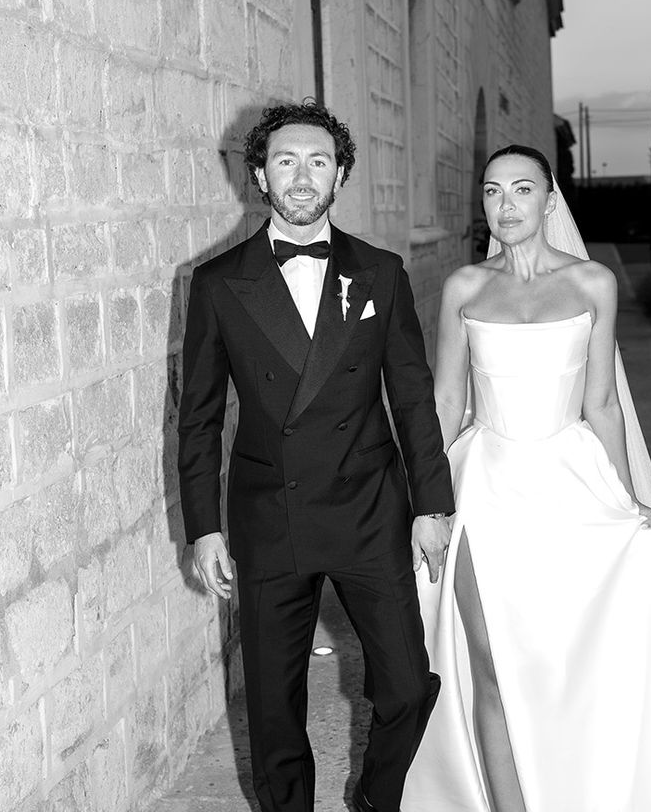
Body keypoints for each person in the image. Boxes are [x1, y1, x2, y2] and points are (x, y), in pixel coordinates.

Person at [403, 145, 651, 811]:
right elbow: (445, 401)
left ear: (550, 202)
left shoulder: (593, 283)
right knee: (490, 664)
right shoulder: (464, 287)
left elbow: (601, 403)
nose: (506, 204)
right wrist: (427, 498)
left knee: (565, 665)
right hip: (482, 486)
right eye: (492, 191)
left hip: (570, 486)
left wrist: (627, 498)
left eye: (522, 189)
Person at [177, 99, 455, 812]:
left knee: (405, 684)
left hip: (369, 507)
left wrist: (432, 505)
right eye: (286, 161)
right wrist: (204, 527)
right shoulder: (217, 282)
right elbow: (199, 417)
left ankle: (376, 799)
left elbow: (413, 399)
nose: (302, 177)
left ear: (340, 176)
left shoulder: (382, 272)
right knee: (273, 704)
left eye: (319, 162)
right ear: (259, 177)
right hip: (271, 513)